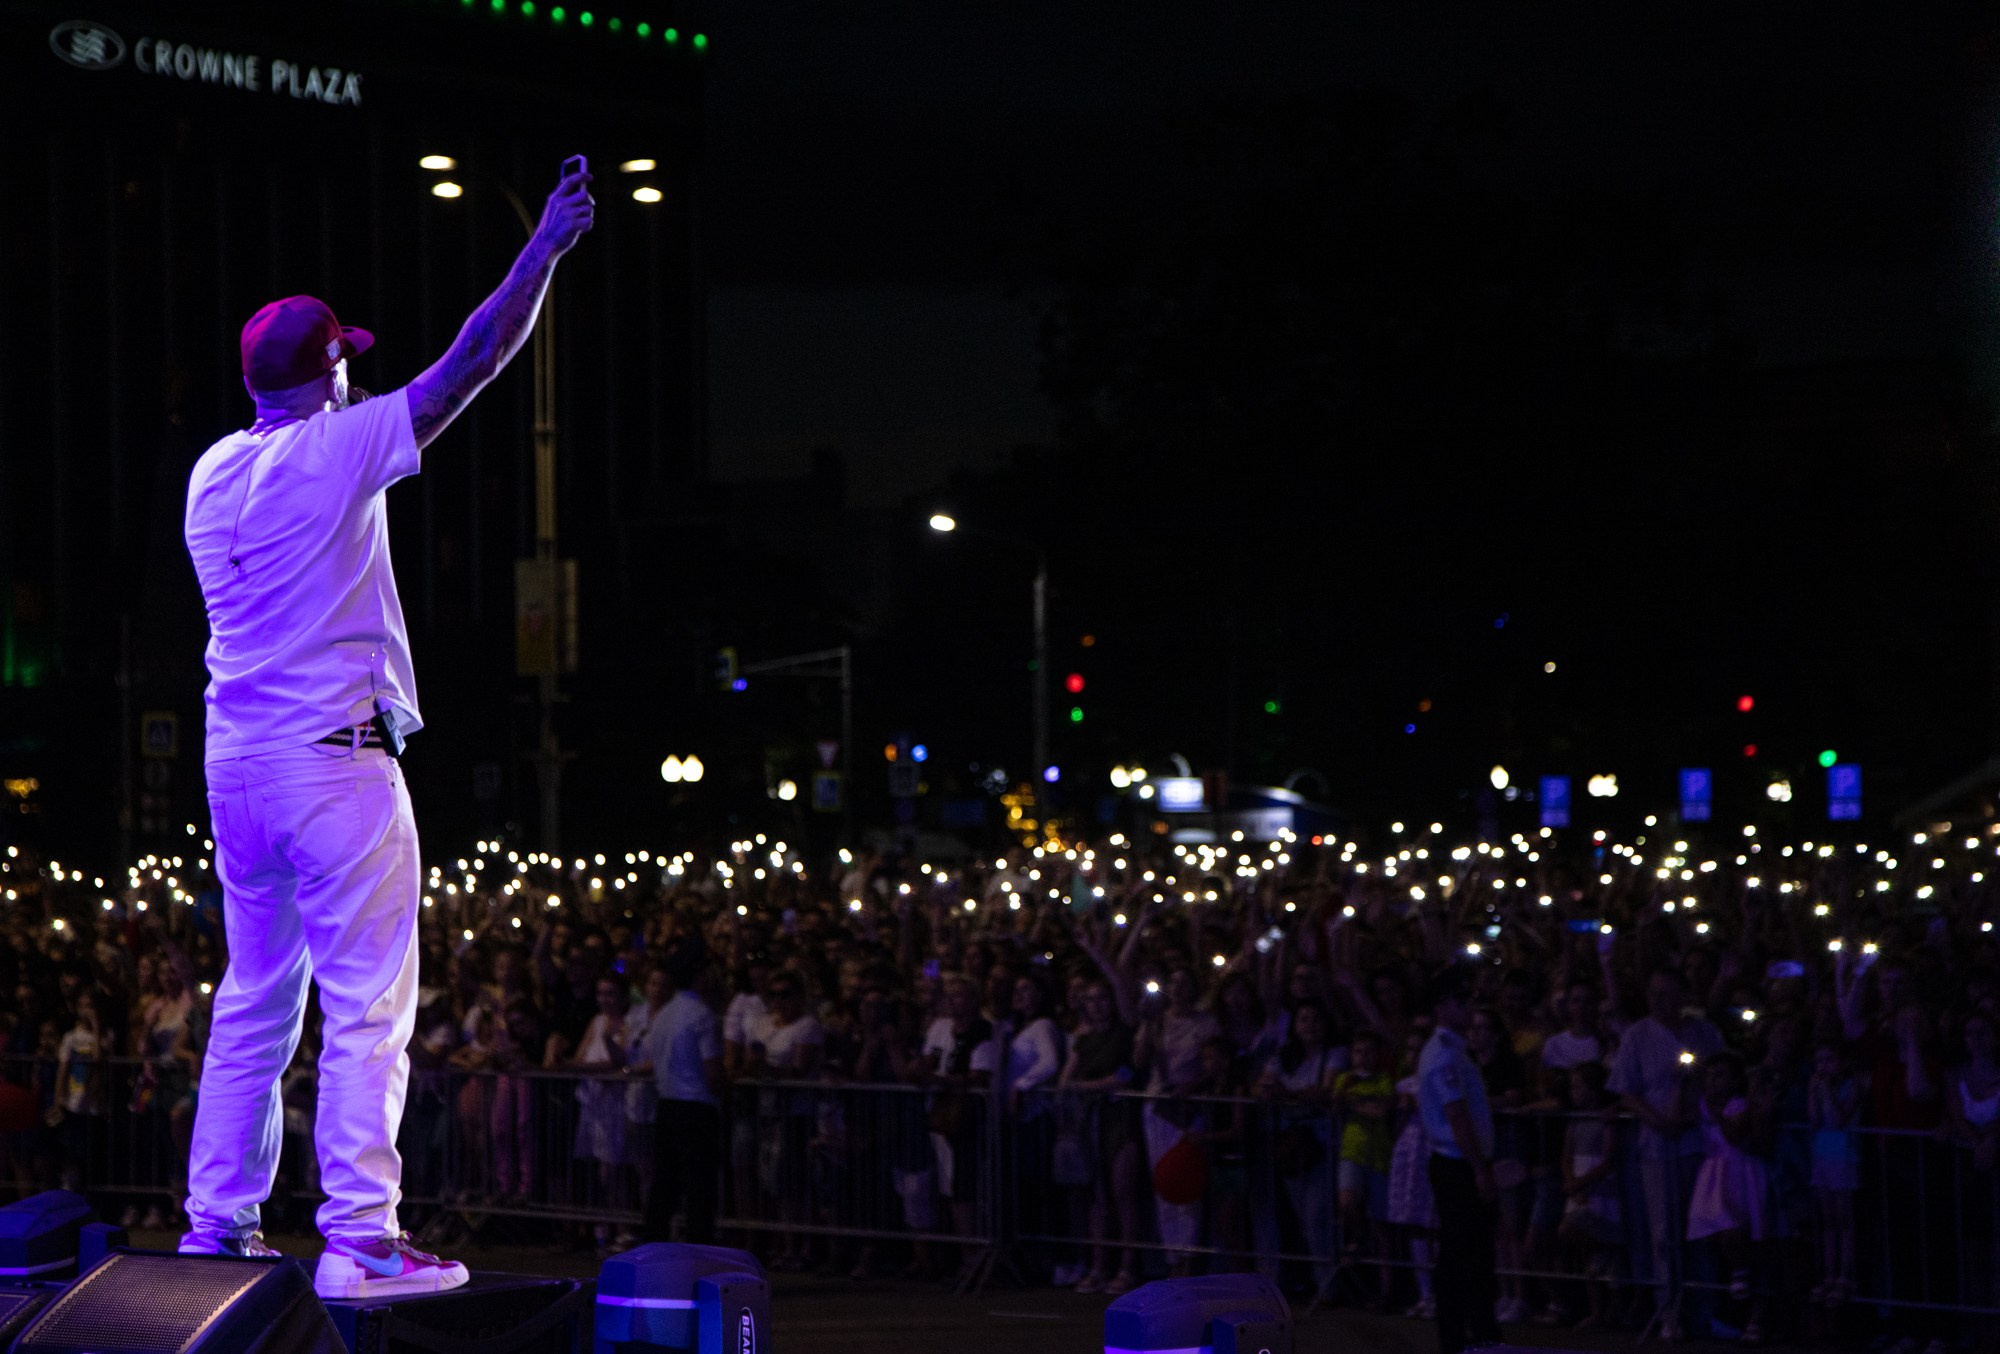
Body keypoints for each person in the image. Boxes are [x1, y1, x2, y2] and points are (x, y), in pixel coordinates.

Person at [178, 160, 595, 1298]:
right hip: (334, 768)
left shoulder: (213, 472)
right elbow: (472, 362)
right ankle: (361, 1240)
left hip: (237, 766)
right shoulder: (340, 444)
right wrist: (543, 250)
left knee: (255, 993)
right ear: (334, 370)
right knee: (368, 1003)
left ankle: (216, 1223)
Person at [1420, 967, 1502, 1354]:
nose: (1469, 1006)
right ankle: (1462, 1336)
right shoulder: (1442, 1055)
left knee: (1469, 1253)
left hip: (1460, 1163)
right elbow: (1457, 1116)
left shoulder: (1453, 1051)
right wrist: (1480, 1168)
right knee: (1461, 1254)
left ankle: (1474, 1331)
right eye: (1460, 1000)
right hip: (1457, 1165)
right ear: (1441, 1007)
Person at [634, 956, 722, 1244]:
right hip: (696, 1107)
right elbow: (711, 1071)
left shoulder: (663, 1015)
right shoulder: (701, 1015)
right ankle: (699, 1250)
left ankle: (653, 1247)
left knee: (665, 1185)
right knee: (699, 1186)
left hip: (667, 1104)